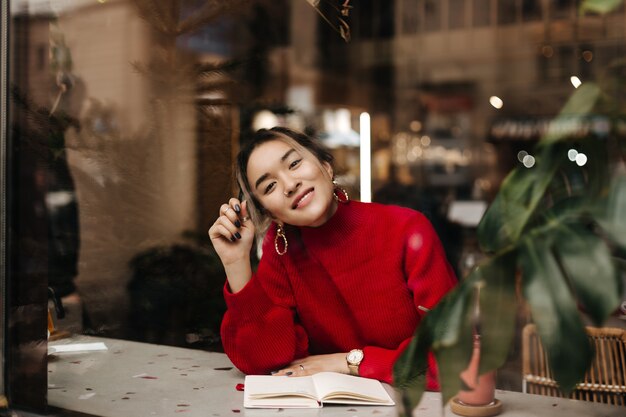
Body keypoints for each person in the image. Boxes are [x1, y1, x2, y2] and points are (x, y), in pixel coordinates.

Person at [209, 127, 457, 390]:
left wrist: (348, 362)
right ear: (269, 213)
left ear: (326, 166)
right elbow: (262, 360)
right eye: (270, 186)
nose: (290, 184)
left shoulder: (406, 230)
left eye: (294, 163)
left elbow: (454, 358)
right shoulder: (281, 249)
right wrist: (236, 264)